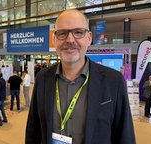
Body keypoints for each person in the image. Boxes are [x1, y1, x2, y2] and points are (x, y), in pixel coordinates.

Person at [25, 9, 135, 144]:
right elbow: (33, 130)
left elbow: (124, 135)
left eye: (78, 32)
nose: (70, 40)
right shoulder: (42, 78)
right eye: (62, 33)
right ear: (54, 39)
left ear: (89, 38)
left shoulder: (113, 80)